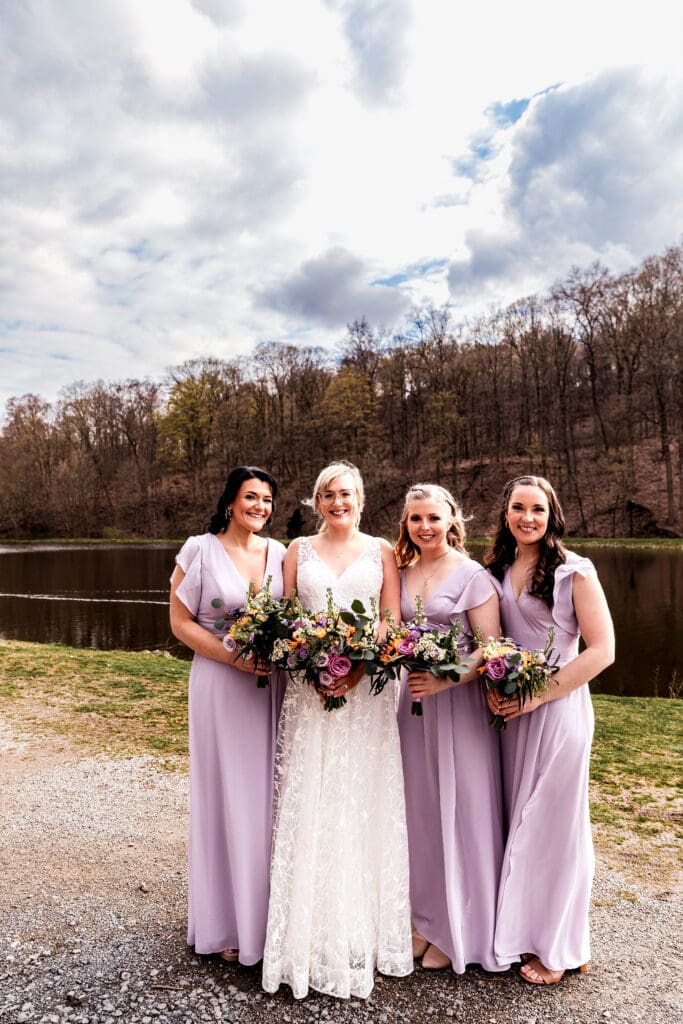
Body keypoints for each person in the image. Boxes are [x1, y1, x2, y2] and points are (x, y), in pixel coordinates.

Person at [262, 461, 413, 999]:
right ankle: (306, 932)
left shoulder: (383, 552)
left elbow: (391, 622)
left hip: (366, 696)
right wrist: (313, 663)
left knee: (359, 799)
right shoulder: (295, 551)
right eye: (327, 494)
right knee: (313, 797)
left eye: (345, 493)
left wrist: (355, 671)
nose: (337, 501)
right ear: (316, 500)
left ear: (361, 497)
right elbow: (282, 619)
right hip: (308, 692)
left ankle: (361, 930)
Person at [484, 475, 615, 985]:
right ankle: (536, 932)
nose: (527, 518)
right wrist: (495, 688)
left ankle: (561, 947)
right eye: (518, 507)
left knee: (557, 827)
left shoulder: (574, 572)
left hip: (557, 711)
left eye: (537, 509)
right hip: (511, 716)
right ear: (506, 513)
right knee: (523, 823)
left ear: (551, 514)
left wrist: (537, 694)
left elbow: (602, 651)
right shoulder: (498, 568)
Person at [170, 466, 286, 966]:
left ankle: (269, 920)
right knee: (226, 793)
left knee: (270, 796)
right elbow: (179, 623)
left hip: (273, 689)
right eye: (249, 497)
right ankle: (225, 922)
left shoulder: (282, 554)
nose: (258, 506)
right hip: (221, 683)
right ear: (230, 501)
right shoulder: (199, 549)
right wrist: (231, 655)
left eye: (266, 500)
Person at [395, 484, 506, 975]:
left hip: (456, 706)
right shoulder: (402, 571)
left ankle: (459, 924)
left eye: (433, 518)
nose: (424, 527)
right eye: (416, 519)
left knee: (460, 809)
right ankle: (424, 918)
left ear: (452, 519)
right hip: (411, 706)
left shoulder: (473, 576)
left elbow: (491, 646)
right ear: (406, 523)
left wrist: (447, 677)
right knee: (418, 811)